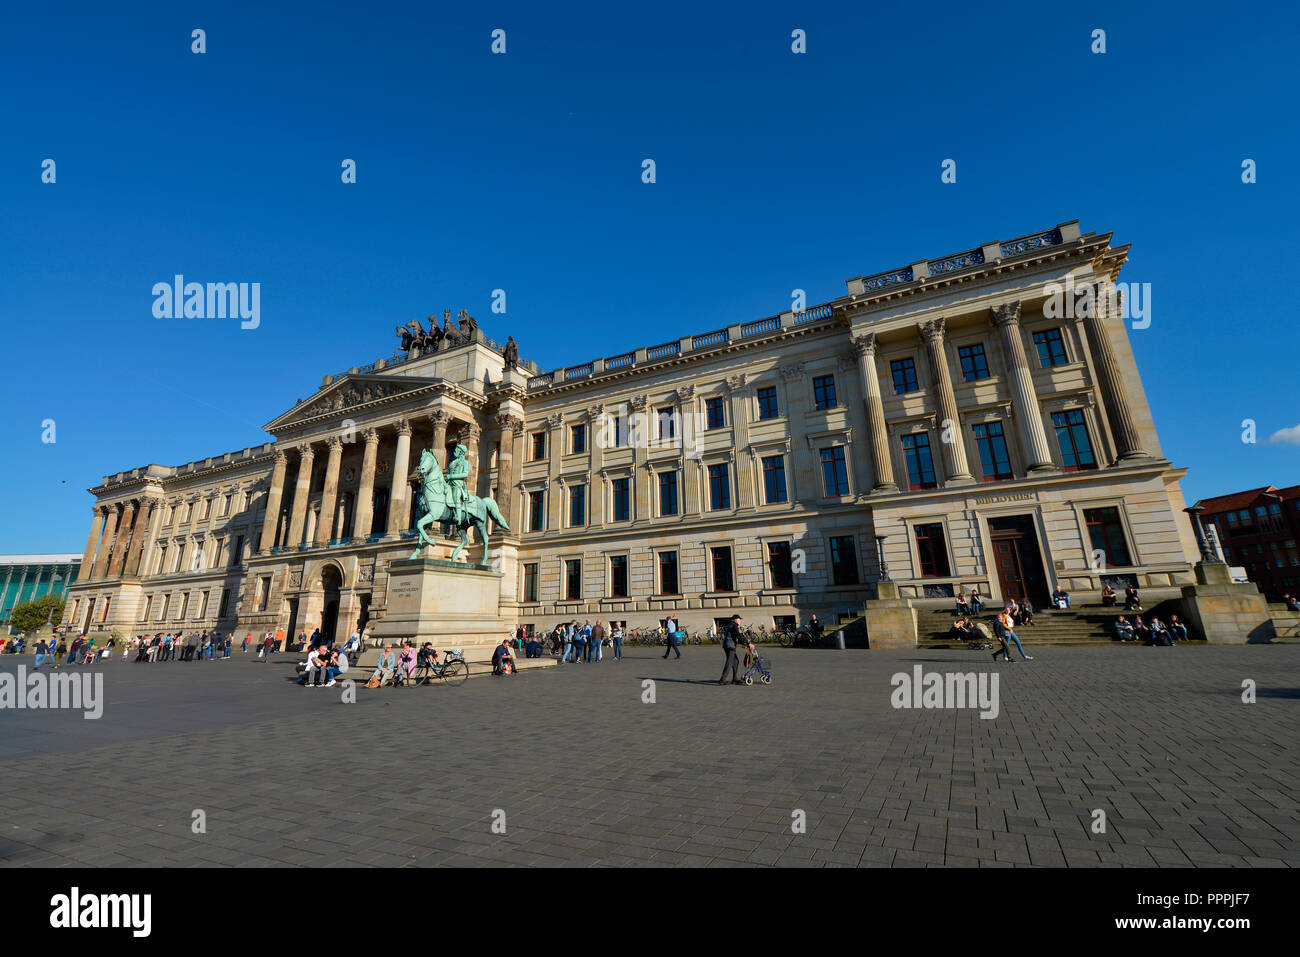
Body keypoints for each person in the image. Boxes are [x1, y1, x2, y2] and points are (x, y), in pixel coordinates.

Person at [718, 614, 744, 685]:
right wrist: (747, 643)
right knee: (729, 662)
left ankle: (735, 678)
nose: (740, 620)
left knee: (735, 661)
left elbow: (737, 635)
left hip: (728, 645)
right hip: (730, 646)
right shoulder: (733, 626)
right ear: (735, 620)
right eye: (739, 619)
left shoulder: (731, 625)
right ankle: (722, 680)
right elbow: (738, 635)